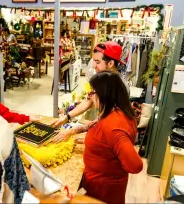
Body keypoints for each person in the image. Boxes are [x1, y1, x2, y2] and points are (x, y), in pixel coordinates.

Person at [80, 71, 143, 203]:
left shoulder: (113, 127)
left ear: (104, 94)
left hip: (103, 191)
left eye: (92, 93)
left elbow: (135, 165)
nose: (90, 97)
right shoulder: (120, 112)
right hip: (104, 186)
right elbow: (108, 143)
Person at [51, 41, 129, 142]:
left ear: (110, 63)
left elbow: (107, 121)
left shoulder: (119, 87)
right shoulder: (101, 79)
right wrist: (67, 117)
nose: (93, 65)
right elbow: (89, 101)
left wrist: (73, 131)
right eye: (93, 61)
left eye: (97, 62)